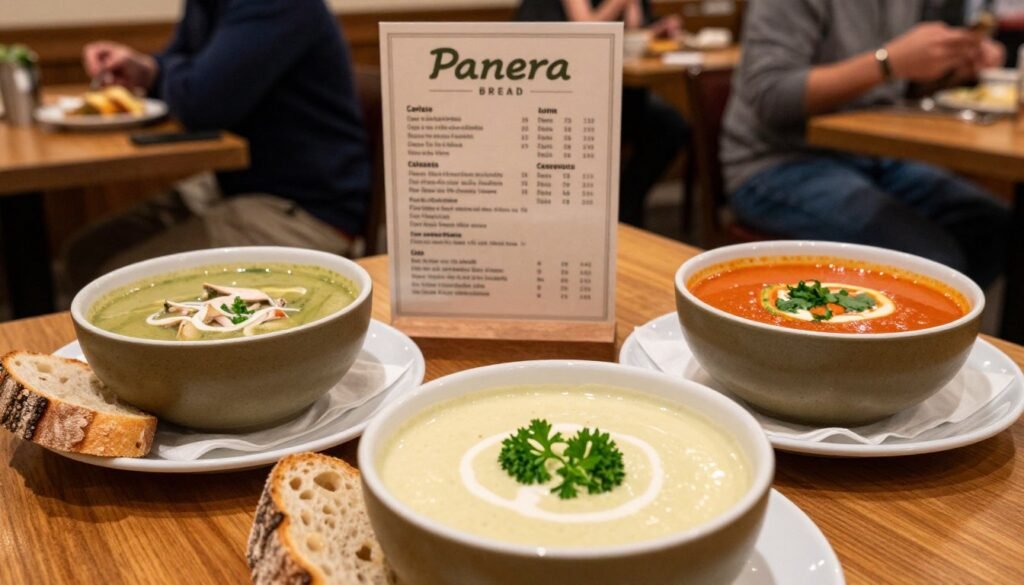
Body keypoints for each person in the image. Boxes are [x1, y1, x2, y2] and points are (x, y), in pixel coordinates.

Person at [63, 0, 370, 292]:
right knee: (85, 254)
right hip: (235, 184)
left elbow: (201, 104)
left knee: (114, 283)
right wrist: (148, 68)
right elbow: (187, 68)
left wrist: (173, 74)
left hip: (309, 209)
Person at [721, 0, 1011, 288]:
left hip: (871, 155)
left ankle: (925, 315)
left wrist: (949, 68)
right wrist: (889, 61)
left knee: (996, 227)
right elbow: (771, 96)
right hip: (776, 162)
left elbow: (892, 89)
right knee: (930, 262)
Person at [516, 0, 691, 228]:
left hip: (613, 87)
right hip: (553, 89)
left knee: (670, 126)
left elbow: (634, 29)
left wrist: (656, 29)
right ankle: (591, 217)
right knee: (605, 127)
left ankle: (624, 208)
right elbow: (586, 31)